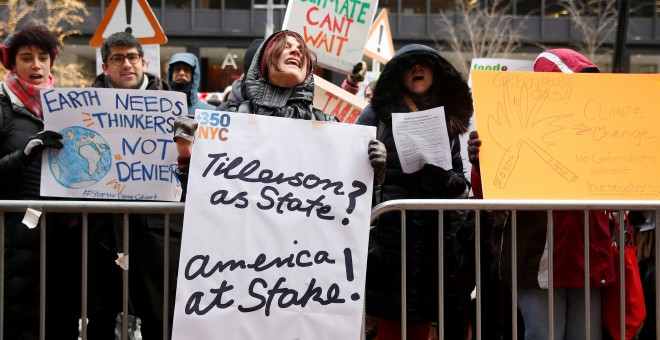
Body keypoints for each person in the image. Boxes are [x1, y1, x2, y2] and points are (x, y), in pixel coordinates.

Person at [467, 48, 615, 340]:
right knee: (543, 335)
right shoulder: (517, 125)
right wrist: (481, 162)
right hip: (537, 255)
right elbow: (489, 194)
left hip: (587, 251)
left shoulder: (600, 125)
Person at [355, 44, 473, 340]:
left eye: (424, 64)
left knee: (420, 326)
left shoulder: (448, 121)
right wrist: (374, 170)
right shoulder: (376, 116)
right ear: (398, 74)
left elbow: (460, 184)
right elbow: (349, 179)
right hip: (391, 243)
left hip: (432, 244)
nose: (417, 69)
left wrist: (449, 183)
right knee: (389, 329)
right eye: (410, 65)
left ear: (437, 72)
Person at [175, 30, 385, 185]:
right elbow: (202, 199)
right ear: (263, 62)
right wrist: (187, 157)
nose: (295, 50)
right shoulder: (227, 121)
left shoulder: (329, 126)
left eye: (301, 49)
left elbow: (349, 202)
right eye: (285, 46)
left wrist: (372, 175)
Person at [91, 31, 178, 340]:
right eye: (117, 58)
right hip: (100, 231)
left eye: (131, 57)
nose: (125, 64)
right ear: (105, 66)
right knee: (99, 315)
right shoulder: (81, 109)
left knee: (158, 316)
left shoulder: (173, 109)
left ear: (143, 62)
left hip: (155, 231)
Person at [0, 22, 83, 339]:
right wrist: (24, 154)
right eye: (26, 57)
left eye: (42, 57)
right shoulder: (3, 109)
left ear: (51, 62)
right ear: (12, 64)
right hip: (14, 243)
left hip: (59, 240)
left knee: (58, 320)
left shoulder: (69, 109)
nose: (35, 65)